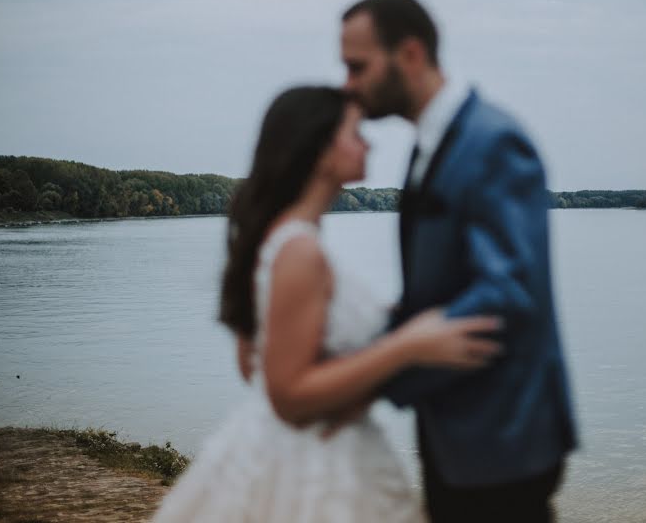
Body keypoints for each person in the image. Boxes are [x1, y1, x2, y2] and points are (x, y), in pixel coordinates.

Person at [153, 86, 502, 522]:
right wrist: (406, 347)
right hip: (320, 466)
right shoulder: (300, 253)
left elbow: (252, 367)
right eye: (355, 132)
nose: (368, 143)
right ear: (319, 151)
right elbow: (286, 394)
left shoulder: (271, 240)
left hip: (276, 451)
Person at [340, 0, 578, 522]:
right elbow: (441, 289)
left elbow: (508, 291)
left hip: (502, 438)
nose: (348, 85)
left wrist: (377, 369)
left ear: (410, 54)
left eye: (358, 66)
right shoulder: (433, 145)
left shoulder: (493, 143)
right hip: (457, 436)